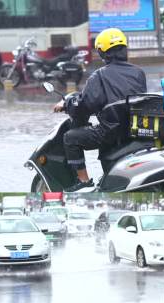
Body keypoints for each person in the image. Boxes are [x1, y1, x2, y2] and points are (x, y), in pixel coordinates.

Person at [53, 27, 147, 191]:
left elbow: (85, 106)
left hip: (111, 131)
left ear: (103, 53)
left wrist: (67, 104)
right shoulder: (139, 73)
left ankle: (84, 182)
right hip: (133, 130)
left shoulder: (100, 75)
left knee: (70, 138)